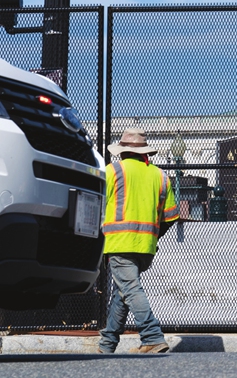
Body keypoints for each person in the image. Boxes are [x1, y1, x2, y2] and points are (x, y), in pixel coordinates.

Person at [98, 129, 179, 354]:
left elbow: (96, 204)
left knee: (130, 290)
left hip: (119, 243)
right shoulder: (160, 175)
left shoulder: (112, 171)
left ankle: (152, 336)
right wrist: (152, 235)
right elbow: (171, 217)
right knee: (121, 293)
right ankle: (107, 345)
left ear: (121, 152)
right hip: (146, 247)